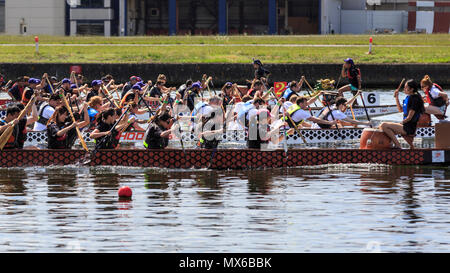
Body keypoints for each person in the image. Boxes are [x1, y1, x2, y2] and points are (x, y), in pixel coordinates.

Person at [380, 79, 425, 149]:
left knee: (384, 125)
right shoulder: (408, 97)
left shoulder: (415, 99)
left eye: (406, 87)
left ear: (411, 89)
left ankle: (398, 145)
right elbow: (400, 110)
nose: (404, 89)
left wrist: (400, 123)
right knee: (382, 127)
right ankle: (390, 145)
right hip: (405, 125)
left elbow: (409, 118)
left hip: (409, 127)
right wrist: (396, 97)